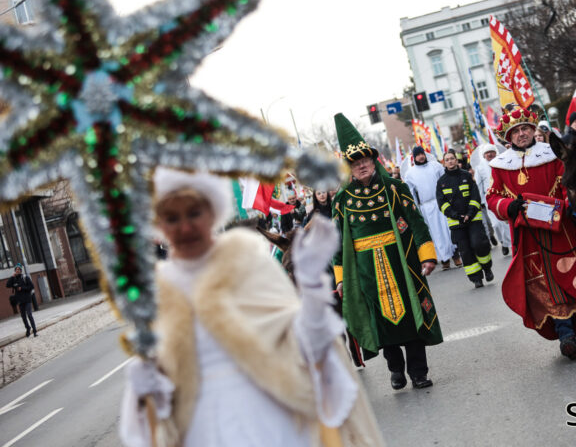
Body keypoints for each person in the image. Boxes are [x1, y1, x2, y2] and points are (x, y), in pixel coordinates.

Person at [119, 167, 384, 447]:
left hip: (267, 416)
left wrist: (312, 297)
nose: (185, 227)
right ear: (160, 226)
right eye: (172, 218)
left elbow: (297, 339)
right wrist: (147, 389)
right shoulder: (160, 291)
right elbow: (160, 393)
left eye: (194, 213)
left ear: (211, 213)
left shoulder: (247, 260)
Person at [486, 105, 576, 360]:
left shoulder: (552, 155)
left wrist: (567, 205)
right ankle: (566, 335)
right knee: (545, 285)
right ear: (509, 137)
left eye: (525, 129)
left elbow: (568, 184)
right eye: (516, 131)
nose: (522, 134)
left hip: (560, 229)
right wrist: (508, 206)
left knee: (571, 275)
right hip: (528, 236)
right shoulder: (500, 165)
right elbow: (493, 197)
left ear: (533, 130)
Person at [331, 114, 442, 390]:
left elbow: (416, 222)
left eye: (365, 160)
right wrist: (341, 278)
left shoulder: (394, 188)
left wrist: (427, 255)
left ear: (373, 161)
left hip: (403, 263)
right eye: (355, 163)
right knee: (380, 322)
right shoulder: (342, 200)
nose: (361, 166)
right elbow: (336, 242)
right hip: (365, 272)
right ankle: (395, 370)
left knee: (412, 316)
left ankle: (418, 372)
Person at [436, 151, 495, 288]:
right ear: (444, 163)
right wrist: (456, 215)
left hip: (473, 219)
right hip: (456, 223)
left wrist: (470, 213)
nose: (450, 161)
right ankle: (476, 278)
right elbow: (442, 204)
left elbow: (475, 196)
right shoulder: (441, 182)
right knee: (465, 251)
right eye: (447, 160)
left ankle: (487, 268)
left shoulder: (466, 176)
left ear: (456, 161)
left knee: (479, 244)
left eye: (452, 158)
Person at [404, 146, 458, 271]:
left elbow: (445, 181)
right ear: (414, 157)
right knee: (436, 234)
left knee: (448, 229)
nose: (421, 157)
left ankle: (456, 255)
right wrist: (416, 209)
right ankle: (444, 259)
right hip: (426, 208)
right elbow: (411, 193)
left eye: (422, 154)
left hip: (441, 202)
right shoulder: (410, 174)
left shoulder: (435, 166)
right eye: (418, 155)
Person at [475, 144, 512, 256]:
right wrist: (480, 201)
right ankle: (502, 241)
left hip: (503, 197)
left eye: (492, 152)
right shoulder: (480, 168)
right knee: (496, 225)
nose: (490, 154)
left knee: (506, 223)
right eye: (487, 153)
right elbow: (478, 185)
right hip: (489, 200)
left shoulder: (501, 162)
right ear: (484, 155)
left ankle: (507, 244)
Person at [5, 263, 36, 337]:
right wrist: (12, 277)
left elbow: (31, 286)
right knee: (23, 316)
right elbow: (7, 285)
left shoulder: (25, 278)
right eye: (16, 269)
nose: (17, 270)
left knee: (29, 314)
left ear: (21, 270)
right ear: (15, 270)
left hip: (27, 299)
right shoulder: (14, 279)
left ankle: (34, 330)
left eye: (19, 269)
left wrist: (22, 288)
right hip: (20, 301)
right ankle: (28, 328)